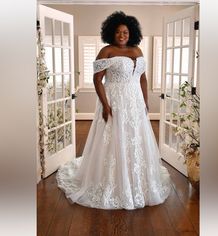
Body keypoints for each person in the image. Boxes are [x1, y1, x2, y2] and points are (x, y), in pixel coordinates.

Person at [56, 11, 171, 210]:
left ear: (131, 33)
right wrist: (105, 105)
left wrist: (145, 101)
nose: (122, 35)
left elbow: (142, 78)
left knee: (134, 137)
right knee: (113, 138)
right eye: (118, 32)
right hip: (115, 100)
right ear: (111, 33)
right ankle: (112, 180)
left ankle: (136, 178)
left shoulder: (137, 50)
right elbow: (97, 79)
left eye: (125, 32)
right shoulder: (107, 51)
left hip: (134, 101)